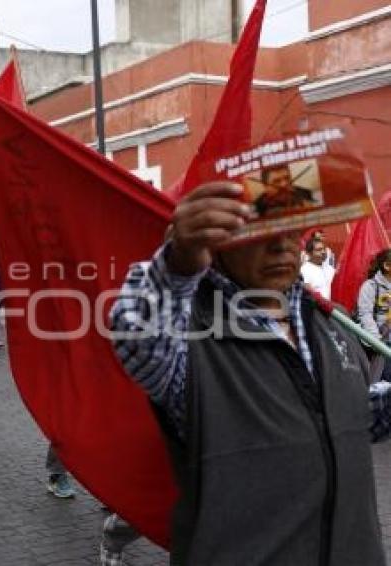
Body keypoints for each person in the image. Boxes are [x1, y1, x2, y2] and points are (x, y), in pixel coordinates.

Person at [110, 181, 391, 564]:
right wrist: (176, 263)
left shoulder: (327, 325)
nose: (281, 244)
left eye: (292, 227)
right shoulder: (189, 335)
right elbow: (138, 338)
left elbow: (351, 416)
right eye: (258, 229)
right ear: (218, 241)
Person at [357, 249, 391, 383]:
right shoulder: (370, 286)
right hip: (382, 345)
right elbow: (365, 314)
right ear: (387, 266)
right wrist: (376, 342)